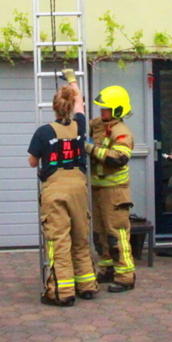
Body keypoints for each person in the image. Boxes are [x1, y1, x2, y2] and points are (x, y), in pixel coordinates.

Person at [28, 72, 98, 305]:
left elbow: (32, 162)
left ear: (54, 108)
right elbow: (80, 105)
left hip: (55, 189)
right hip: (78, 188)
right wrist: (73, 81)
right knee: (80, 238)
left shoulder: (43, 132)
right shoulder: (80, 126)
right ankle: (87, 286)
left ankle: (62, 292)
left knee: (59, 241)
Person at [86, 85, 136, 292]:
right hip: (98, 188)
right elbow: (81, 123)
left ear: (116, 110)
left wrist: (91, 149)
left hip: (115, 191)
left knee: (117, 234)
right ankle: (107, 269)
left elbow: (119, 158)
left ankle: (125, 277)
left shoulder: (121, 132)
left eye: (105, 109)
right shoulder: (100, 125)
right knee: (100, 234)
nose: (102, 112)